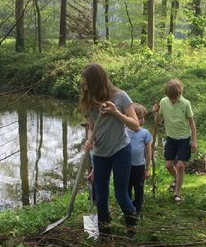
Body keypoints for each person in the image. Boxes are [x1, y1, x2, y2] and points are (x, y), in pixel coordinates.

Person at [80, 63, 140, 234]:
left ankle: (132, 229)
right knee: (100, 197)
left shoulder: (120, 97)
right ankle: (105, 233)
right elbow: (91, 126)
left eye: (86, 83)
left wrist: (115, 112)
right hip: (100, 154)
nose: (84, 87)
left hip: (120, 150)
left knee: (121, 195)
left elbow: (135, 125)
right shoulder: (89, 99)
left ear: (97, 82)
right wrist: (89, 139)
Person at [153, 79, 197, 204]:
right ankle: (177, 179)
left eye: (175, 98)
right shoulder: (163, 102)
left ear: (179, 94)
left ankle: (177, 193)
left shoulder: (185, 103)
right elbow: (158, 121)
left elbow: (191, 122)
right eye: (170, 98)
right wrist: (155, 112)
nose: (173, 100)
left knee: (180, 165)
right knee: (168, 165)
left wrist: (194, 141)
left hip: (184, 138)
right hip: (171, 138)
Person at [126, 103, 153, 216]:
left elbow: (148, 152)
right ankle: (128, 210)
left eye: (143, 118)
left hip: (139, 166)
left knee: (139, 189)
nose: (142, 120)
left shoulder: (144, 133)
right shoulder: (124, 131)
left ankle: (137, 210)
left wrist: (147, 168)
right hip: (125, 167)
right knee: (126, 190)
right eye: (139, 118)